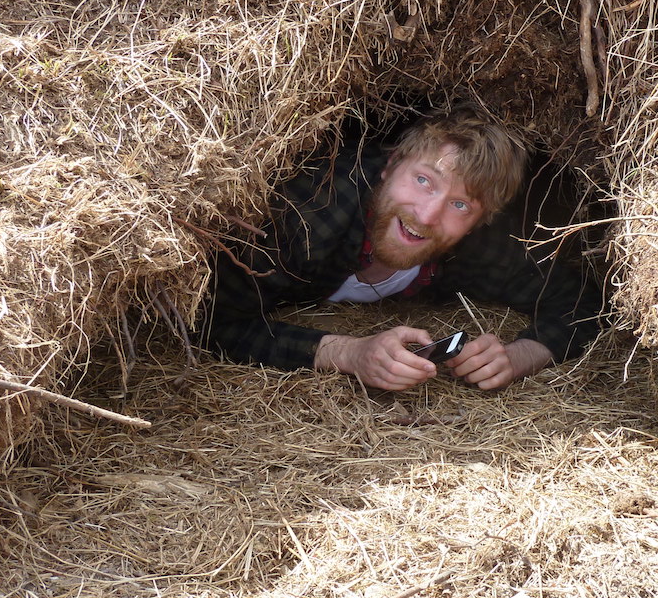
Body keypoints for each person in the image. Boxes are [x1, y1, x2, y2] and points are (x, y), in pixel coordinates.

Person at [197, 105, 600, 391]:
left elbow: (578, 301)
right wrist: (348, 354)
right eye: (424, 180)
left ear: (480, 220)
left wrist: (518, 357)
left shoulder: (477, 247)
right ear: (390, 165)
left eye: (460, 205)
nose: (427, 215)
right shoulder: (307, 217)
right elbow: (210, 317)